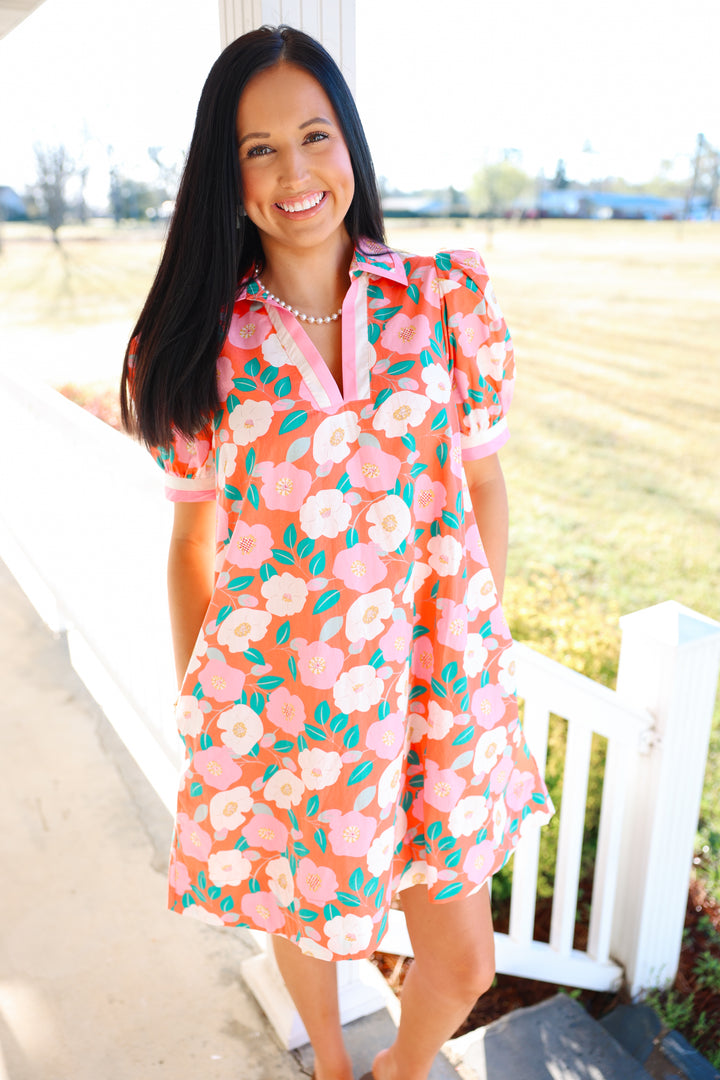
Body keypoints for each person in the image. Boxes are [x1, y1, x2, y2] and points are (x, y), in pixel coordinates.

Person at [120, 24, 553, 1080]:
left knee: (459, 963)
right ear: (226, 178)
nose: (294, 171)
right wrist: (205, 708)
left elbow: (484, 484)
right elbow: (194, 537)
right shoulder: (193, 344)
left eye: (315, 136)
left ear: (350, 146)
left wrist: (475, 648)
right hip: (284, 702)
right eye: (258, 149)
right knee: (305, 918)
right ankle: (327, 1063)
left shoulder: (444, 302)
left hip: (433, 695)